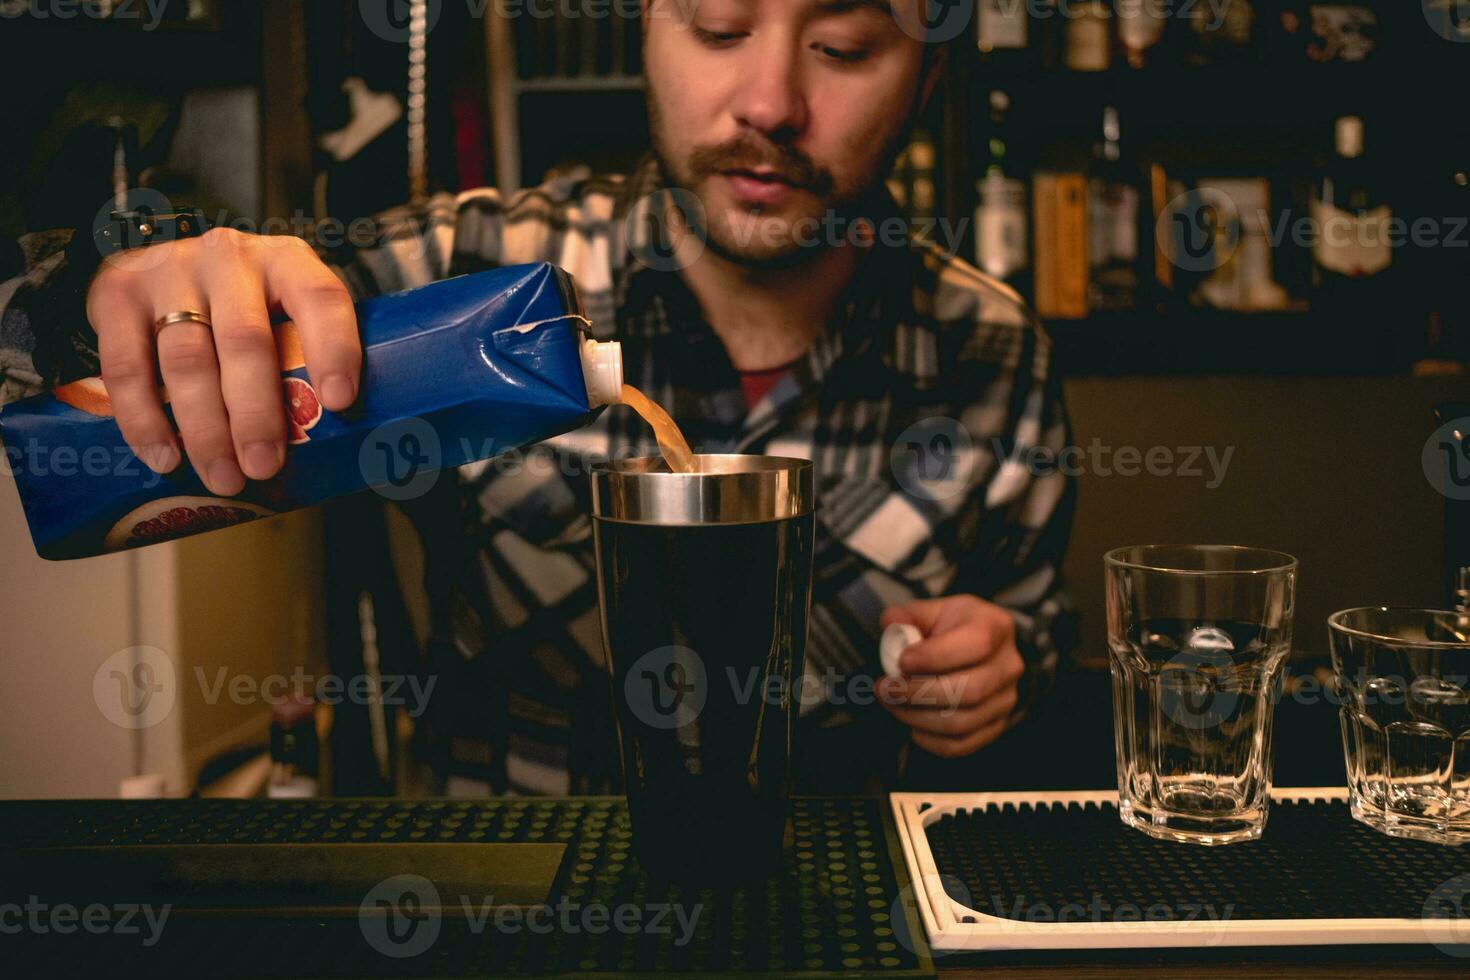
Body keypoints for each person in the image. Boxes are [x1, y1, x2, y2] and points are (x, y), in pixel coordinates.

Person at [0, 0, 1074, 794]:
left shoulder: (992, 353)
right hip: (510, 911)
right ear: (649, 28)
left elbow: (1032, 676)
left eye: (842, 49)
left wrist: (994, 682)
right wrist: (115, 299)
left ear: (928, 79)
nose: (770, 104)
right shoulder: (479, 265)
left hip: (844, 912)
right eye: (716, 27)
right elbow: (43, 344)